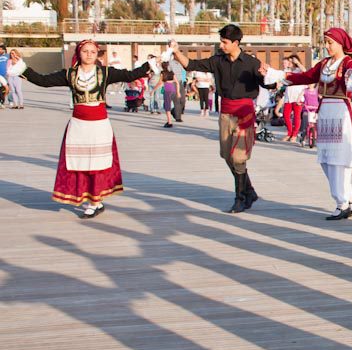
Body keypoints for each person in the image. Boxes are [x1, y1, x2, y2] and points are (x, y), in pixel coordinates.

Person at [22, 39, 153, 217]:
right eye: (85, 51)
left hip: (99, 126)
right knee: (80, 164)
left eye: (93, 51)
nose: (89, 55)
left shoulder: (105, 73)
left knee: (97, 164)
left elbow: (130, 76)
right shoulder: (69, 74)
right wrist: (22, 69)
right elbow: (43, 81)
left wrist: (151, 64)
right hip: (79, 126)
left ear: (97, 54)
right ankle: (92, 200)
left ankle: (95, 201)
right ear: (79, 53)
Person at [170, 24, 275, 213]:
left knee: (238, 157)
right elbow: (191, 65)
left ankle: (240, 198)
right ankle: (249, 191)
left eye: (225, 42)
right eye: (221, 41)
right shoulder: (218, 60)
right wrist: (176, 51)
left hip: (244, 113)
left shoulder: (251, 63)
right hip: (226, 113)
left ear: (236, 42)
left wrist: (268, 76)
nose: (221, 45)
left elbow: (268, 85)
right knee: (227, 156)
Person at [277, 28, 352, 219]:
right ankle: (349, 195)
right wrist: (278, 75)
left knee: (339, 158)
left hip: (340, 112)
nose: (327, 46)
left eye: (330, 42)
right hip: (325, 112)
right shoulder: (324, 63)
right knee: (325, 159)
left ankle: (343, 202)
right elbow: (306, 77)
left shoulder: (347, 63)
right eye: (325, 42)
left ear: (341, 43)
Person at [281, 57, 305, 142]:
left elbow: (304, 70)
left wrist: (297, 62)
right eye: (289, 62)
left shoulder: (299, 70)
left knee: (296, 116)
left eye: (291, 62)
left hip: (298, 96)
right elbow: (282, 81)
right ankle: (289, 133)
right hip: (288, 96)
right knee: (286, 115)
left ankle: (294, 135)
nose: (289, 63)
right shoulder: (286, 71)